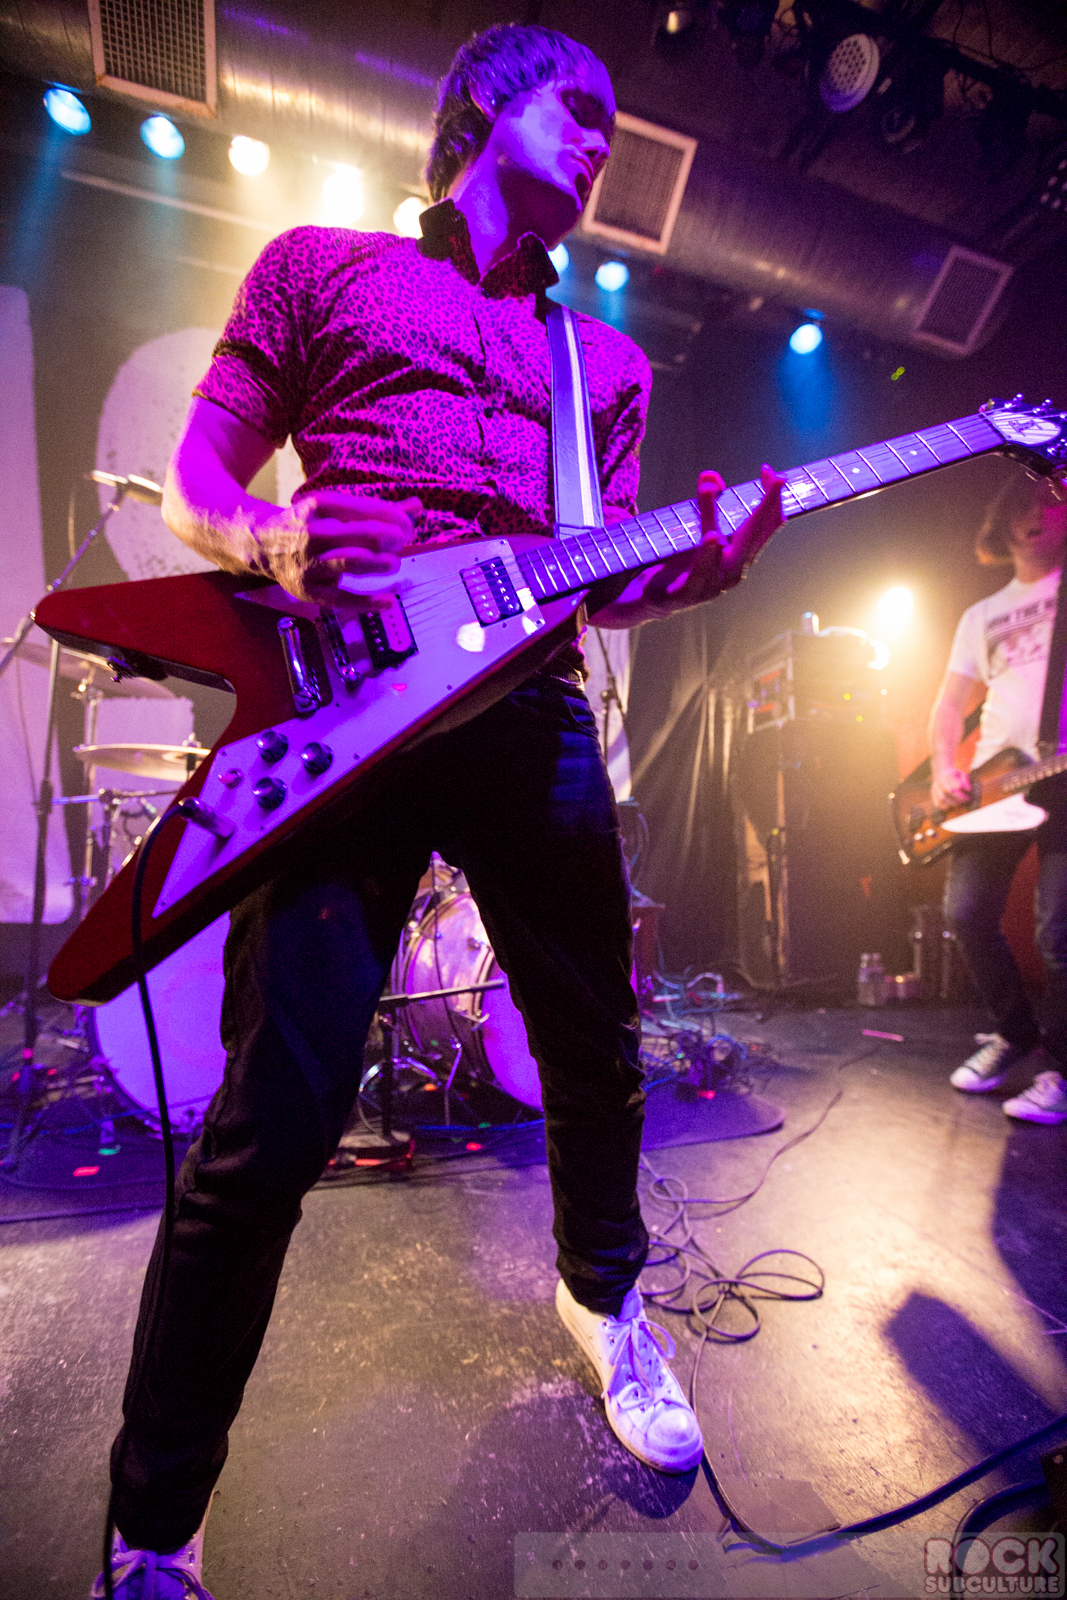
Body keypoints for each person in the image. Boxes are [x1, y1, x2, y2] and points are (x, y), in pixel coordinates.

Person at [91, 23, 785, 1599]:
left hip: (528, 717)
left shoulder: (601, 365)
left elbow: (597, 579)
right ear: (482, 103)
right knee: (270, 1122)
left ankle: (603, 1301)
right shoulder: (321, 268)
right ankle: (153, 1522)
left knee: (597, 1050)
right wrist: (267, 540)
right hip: (346, 711)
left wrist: (692, 574)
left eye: (613, 121)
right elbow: (198, 473)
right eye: (578, 106)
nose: (603, 138)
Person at [930, 471, 1067, 1126]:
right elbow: (949, 705)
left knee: (1059, 932)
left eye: (1051, 500)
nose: (1035, 514)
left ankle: (1060, 1072)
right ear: (1002, 520)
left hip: (1062, 773)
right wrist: (941, 768)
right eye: (1022, 503)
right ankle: (1014, 1032)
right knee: (965, 912)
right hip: (997, 780)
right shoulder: (979, 615)